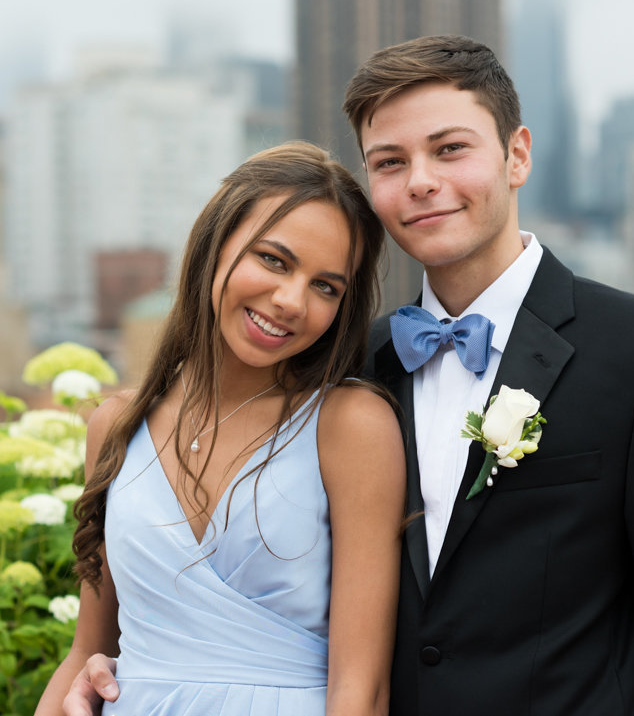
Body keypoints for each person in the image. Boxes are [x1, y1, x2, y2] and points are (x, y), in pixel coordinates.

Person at [345, 35, 634, 715]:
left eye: (450, 149)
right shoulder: (357, 366)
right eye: (389, 162)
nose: (419, 179)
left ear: (517, 155)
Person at [33, 141, 406, 716]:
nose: (290, 301)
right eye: (274, 260)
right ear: (214, 244)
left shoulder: (350, 426)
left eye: (325, 286)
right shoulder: (115, 425)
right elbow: (89, 649)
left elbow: (362, 688)